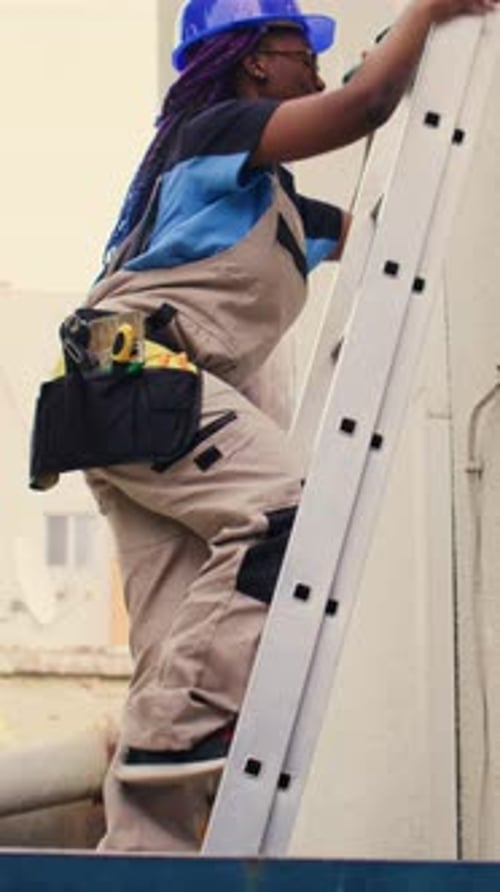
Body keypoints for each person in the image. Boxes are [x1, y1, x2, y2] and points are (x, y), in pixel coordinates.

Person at [31, 0, 498, 854]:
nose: (314, 72)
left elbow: (369, 207)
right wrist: (427, 15)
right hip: (134, 383)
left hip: (124, 407)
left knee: (177, 643)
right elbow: (358, 110)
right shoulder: (211, 135)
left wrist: (391, 79)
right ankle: (172, 736)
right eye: (300, 54)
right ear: (252, 62)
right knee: (289, 511)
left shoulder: (275, 209)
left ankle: (144, 855)